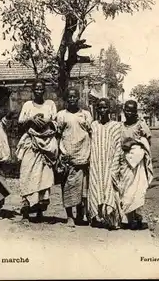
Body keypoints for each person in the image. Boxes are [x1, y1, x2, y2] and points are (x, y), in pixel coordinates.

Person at [16, 80, 58, 221]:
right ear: (33, 90)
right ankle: (26, 207)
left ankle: (40, 210)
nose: (39, 91)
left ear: (44, 90)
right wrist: (31, 119)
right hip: (31, 143)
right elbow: (21, 123)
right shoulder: (28, 105)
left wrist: (48, 122)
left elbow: (56, 123)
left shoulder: (50, 104)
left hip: (46, 144)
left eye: (41, 88)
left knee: (43, 177)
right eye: (36, 88)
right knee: (27, 173)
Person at [56, 88, 93, 227]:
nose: (72, 99)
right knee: (68, 187)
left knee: (83, 188)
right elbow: (58, 135)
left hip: (83, 155)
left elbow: (91, 133)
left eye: (74, 97)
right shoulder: (61, 115)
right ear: (66, 99)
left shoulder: (86, 114)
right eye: (69, 97)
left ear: (78, 98)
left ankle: (80, 215)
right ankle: (69, 216)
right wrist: (59, 154)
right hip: (68, 155)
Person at [87, 98, 123, 230]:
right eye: (100, 108)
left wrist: (115, 165)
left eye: (105, 107)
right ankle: (97, 217)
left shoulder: (116, 126)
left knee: (110, 188)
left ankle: (112, 220)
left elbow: (118, 146)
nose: (102, 110)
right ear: (97, 109)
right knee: (96, 188)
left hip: (110, 163)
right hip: (96, 162)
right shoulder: (93, 125)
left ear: (109, 109)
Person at [119, 100, 153, 230]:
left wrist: (133, 142)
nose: (129, 113)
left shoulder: (141, 125)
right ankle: (129, 218)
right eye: (127, 110)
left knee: (137, 190)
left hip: (137, 164)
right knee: (126, 190)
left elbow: (147, 141)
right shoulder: (120, 126)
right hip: (124, 163)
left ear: (136, 112)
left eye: (132, 111)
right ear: (124, 111)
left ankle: (136, 218)